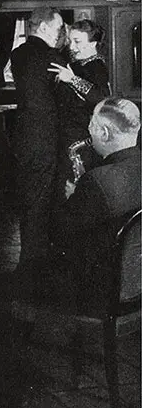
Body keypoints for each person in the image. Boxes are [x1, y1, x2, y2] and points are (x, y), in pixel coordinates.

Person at [29, 98, 140, 313]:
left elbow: (58, 234)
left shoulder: (97, 181)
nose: (88, 133)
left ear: (104, 134)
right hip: (136, 280)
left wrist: (73, 198)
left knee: (22, 277)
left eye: (91, 125)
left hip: (101, 290)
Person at [10, 6, 65, 265]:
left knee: (29, 194)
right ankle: (35, 261)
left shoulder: (18, 53)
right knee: (44, 197)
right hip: (46, 135)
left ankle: (28, 256)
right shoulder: (53, 57)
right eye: (58, 28)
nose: (60, 33)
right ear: (43, 27)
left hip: (24, 134)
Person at [49, 19, 111, 199]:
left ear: (93, 43)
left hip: (81, 137)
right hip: (69, 134)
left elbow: (101, 98)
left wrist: (72, 79)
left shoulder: (96, 66)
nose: (72, 46)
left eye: (77, 41)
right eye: (70, 41)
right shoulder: (77, 64)